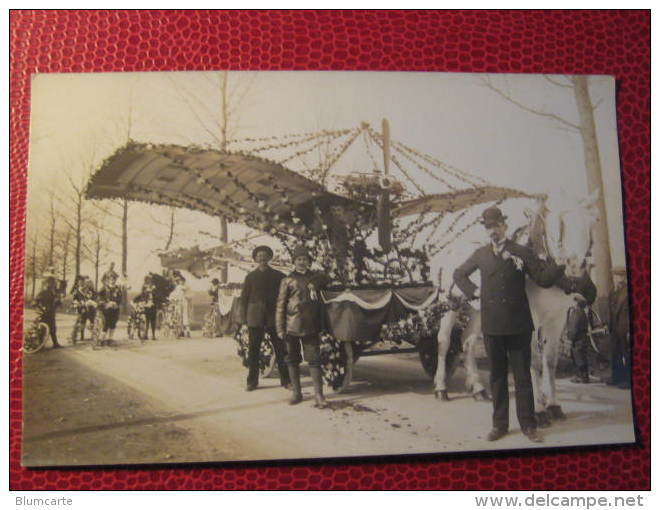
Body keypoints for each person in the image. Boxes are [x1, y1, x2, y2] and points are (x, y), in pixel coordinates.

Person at [453, 206, 565, 443]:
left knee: (523, 376)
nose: (492, 231)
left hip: (519, 325)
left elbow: (543, 279)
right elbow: (459, 274)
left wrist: (560, 265)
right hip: (492, 326)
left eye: (496, 226)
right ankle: (499, 425)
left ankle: (528, 425)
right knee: (497, 377)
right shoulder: (480, 254)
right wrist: (474, 291)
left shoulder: (521, 252)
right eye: (488, 227)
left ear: (504, 226)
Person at [276, 245, 330, 408]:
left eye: (305, 259)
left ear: (309, 262)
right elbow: (280, 306)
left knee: (314, 360)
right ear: (294, 262)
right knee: (292, 360)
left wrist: (314, 283)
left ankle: (319, 395)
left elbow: (326, 278)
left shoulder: (315, 278)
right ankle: (297, 393)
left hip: (311, 326)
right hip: (291, 326)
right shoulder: (287, 280)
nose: (302, 262)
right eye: (299, 259)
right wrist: (280, 328)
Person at [240, 246, 290, 391]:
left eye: (264, 256)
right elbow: (244, 298)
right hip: (255, 317)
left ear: (269, 258)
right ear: (255, 259)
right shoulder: (250, 277)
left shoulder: (278, 275)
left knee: (281, 349)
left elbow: (284, 296)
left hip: (274, 317)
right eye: (259, 256)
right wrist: (244, 318)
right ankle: (252, 382)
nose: (262, 259)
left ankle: (286, 380)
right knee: (254, 349)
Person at [559, 272, 597, 384]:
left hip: (578, 339)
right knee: (578, 356)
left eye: (573, 300)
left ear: (576, 301)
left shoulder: (576, 312)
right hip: (580, 338)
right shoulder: (579, 311)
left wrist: (570, 338)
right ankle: (581, 376)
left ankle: (583, 377)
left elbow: (574, 327)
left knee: (579, 357)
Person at [608, 266, 630, 389]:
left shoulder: (627, 291)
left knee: (626, 353)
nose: (617, 278)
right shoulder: (613, 291)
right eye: (616, 276)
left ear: (624, 277)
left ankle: (628, 380)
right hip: (614, 328)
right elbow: (611, 311)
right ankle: (616, 377)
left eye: (620, 276)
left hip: (624, 328)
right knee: (615, 353)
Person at [35, 270, 62, 348]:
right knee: (42, 328)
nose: (53, 284)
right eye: (51, 282)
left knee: (53, 328)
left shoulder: (53, 293)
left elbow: (57, 304)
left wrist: (59, 301)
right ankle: (40, 343)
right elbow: (36, 300)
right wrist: (39, 307)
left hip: (51, 312)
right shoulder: (43, 291)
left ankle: (55, 343)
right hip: (44, 312)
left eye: (53, 283)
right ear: (47, 283)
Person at [98, 271, 122, 346]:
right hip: (106, 308)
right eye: (111, 279)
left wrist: (116, 303)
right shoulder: (104, 288)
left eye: (114, 279)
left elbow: (120, 298)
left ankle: (110, 339)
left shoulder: (117, 288)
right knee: (106, 323)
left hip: (115, 309)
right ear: (108, 280)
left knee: (113, 323)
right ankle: (102, 339)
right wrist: (105, 303)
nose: (112, 280)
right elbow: (99, 297)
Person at [71, 275, 97, 343]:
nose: (82, 283)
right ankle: (77, 336)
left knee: (92, 321)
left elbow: (93, 296)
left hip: (90, 308)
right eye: (80, 282)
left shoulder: (88, 290)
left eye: (83, 282)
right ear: (78, 283)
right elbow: (74, 300)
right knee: (81, 322)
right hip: (82, 308)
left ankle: (93, 336)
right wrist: (76, 303)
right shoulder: (77, 291)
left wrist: (91, 301)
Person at [170, 273, 191, 338]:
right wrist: (173, 299)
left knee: (184, 316)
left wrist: (187, 297)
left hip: (184, 302)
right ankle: (181, 331)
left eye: (180, 281)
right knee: (179, 316)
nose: (179, 282)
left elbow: (187, 293)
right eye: (178, 281)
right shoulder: (177, 288)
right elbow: (173, 295)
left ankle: (187, 331)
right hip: (179, 303)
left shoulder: (182, 287)